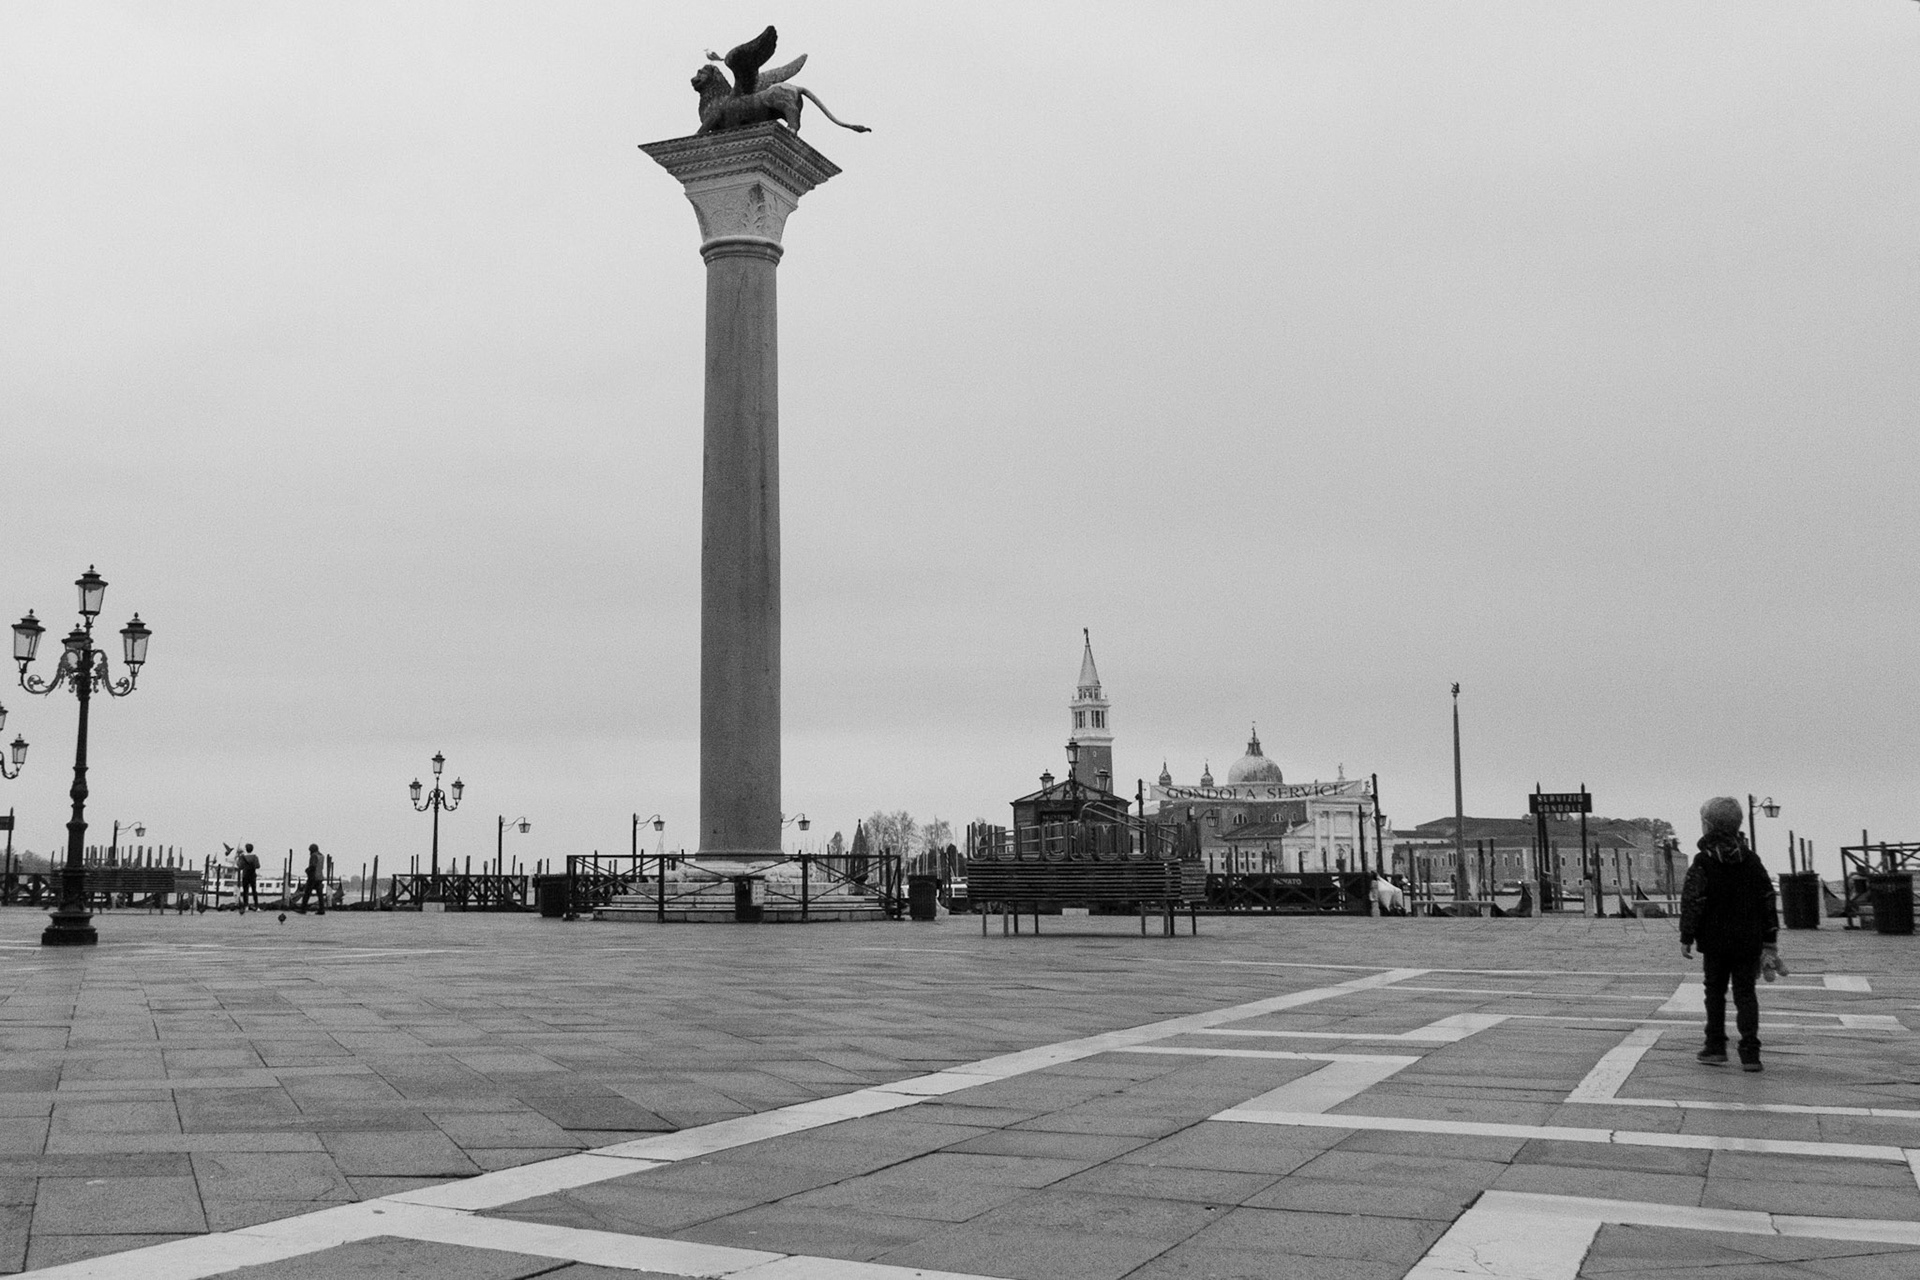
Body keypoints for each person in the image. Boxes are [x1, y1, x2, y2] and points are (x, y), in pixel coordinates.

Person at [1679, 797, 1781, 1072]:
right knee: (1746, 993)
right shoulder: (1751, 860)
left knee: (1714, 991)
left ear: (1708, 826)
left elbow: (1693, 901)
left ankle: (1715, 1046)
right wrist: (1770, 938)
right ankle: (1750, 1052)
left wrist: (1686, 936)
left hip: (1715, 941)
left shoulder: (1703, 861)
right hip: (1749, 939)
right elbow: (1767, 899)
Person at [292, 843, 327, 915]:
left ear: (312, 850)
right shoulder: (321, 856)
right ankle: (321, 910)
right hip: (320, 877)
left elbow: (313, 866)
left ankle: (303, 909)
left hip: (313, 877)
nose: (309, 852)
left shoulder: (314, 856)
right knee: (320, 895)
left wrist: (307, 870)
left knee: (307, 894)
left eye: (310, 850)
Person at [237, 843, 261, 913]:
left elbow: (240, 866)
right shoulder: (255, 857)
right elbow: (258, 866)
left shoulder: (242, 857)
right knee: (254, 891)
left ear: (246, 849)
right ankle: (256, 906)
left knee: (245, 891)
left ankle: (246, 906)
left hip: (245, 875)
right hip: (253, 875)